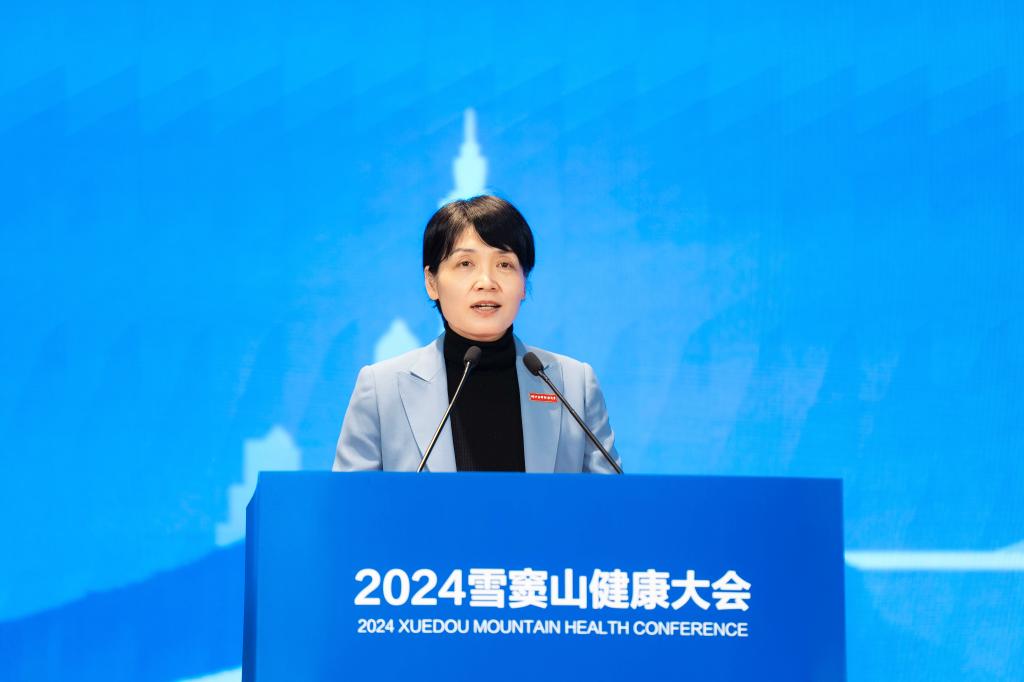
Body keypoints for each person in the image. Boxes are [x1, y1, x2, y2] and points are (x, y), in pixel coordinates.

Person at [333, 195, 621, 473]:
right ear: (431, 282)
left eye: (504, 264)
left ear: (523, 283)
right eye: (465, 264)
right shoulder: (381, 389)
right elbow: (351, 502)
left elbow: (612, 500)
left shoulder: (573, 385)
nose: (486, 282)